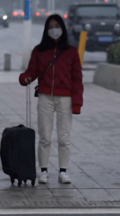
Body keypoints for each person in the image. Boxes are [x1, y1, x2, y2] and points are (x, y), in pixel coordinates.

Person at [19, 14, 83, 184]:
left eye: (57, 26)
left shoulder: (71, 52)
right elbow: (32, 71)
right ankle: (43, 171)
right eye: (51, 26)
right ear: (46, 30)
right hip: (45, 97)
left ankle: (63, 171)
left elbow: (77, 79)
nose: (54, 29)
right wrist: (24, 77)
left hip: (65, 99)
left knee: (64, 138)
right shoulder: (39, 51)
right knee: (45, 137)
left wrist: (77, 102)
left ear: (62, 28)